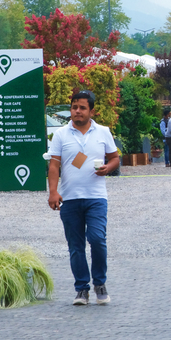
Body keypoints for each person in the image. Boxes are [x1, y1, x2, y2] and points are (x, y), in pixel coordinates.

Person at [48, 91, 119, 306]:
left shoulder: (103, 132)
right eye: (74, 107)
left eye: (82, 108)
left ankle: (100, 283)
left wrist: (108, 168)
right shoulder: (61, 134)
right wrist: (53, 192)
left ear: (92, 111)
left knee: (97, 239)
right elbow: (54, 164)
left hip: (97, 198)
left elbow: (115, 158)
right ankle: (81, 289)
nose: (77, 111)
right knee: (75, 246)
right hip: (69, 199)